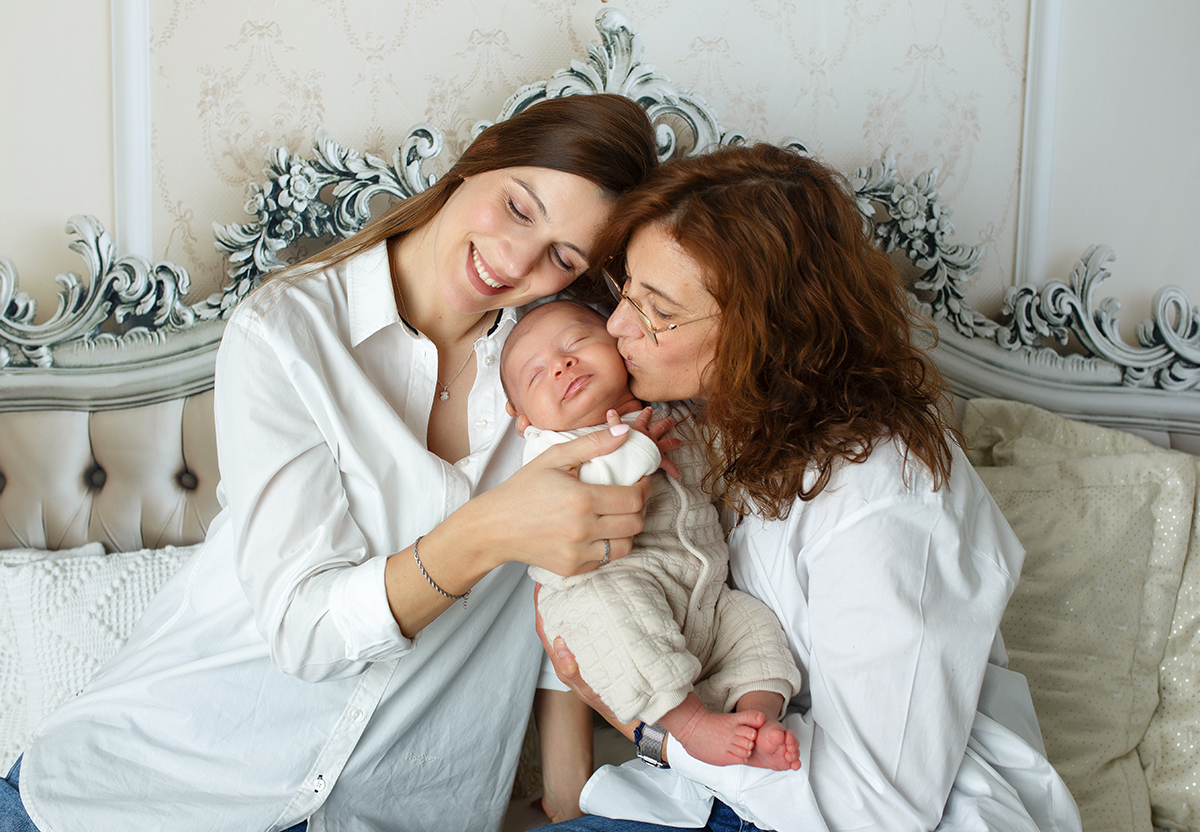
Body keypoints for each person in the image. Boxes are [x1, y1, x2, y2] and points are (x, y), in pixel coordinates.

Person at [1, 93, 660, 832]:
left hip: (398, 813)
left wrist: (569, 794)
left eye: (563, 256)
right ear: (481, 158)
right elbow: (305, 631)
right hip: (147, 791)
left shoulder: (566, 369)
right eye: (517, 207)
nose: (514, 260)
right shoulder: (285, 331)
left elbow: (565, 588)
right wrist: (489, 532)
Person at [537, 144, 1083, 832]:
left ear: (763, 332)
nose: (617, 327)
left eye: (657, 311)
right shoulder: (723, 425)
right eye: (626, 292)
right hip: (741, 791)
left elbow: (877, 809)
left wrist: (650, 731)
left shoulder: (887, 505)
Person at [499, 300, 803, 796]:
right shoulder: (549, 450)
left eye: (576, 343)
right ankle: (692, 726)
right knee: (611, 616)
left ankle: (758, 717)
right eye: (536, 375)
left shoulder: (676, 410)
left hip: (702, 593)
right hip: (609, 585)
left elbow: (727, 456)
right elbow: (592, 485)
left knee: (753, 625)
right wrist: (639, 447)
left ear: (621, 346)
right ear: (524, 418)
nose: (561, 365)